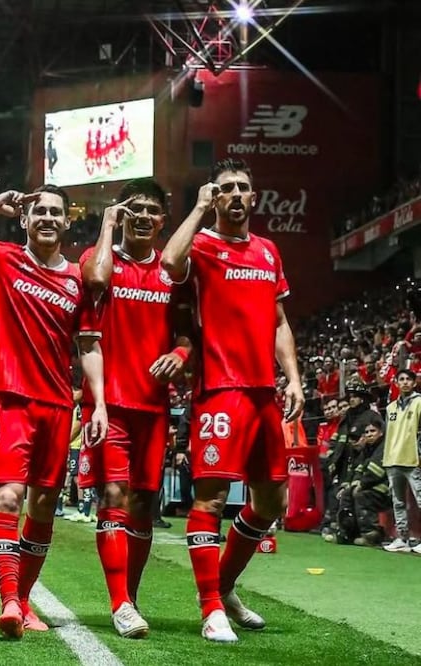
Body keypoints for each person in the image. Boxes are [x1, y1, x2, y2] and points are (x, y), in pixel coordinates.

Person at [161, 157, 304, 643]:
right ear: (216, 196)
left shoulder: (268, 251)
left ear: (254, 196)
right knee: (212, 497)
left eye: (244, 188)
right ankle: (210, 610)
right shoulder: (201, 246)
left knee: (271, 500)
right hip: (221, 389)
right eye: (228, 189)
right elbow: (167, 262)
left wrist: (295, 380)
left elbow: (279, 322)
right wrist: (199, 208)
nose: (238, 195)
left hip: (265, 392)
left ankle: (222, 586)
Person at [0, 186, 108, 638]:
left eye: (54, 212)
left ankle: (23, 602)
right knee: (7, 498)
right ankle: (8, 601)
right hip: (9, 398)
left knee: (43, 507)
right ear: (25, 220)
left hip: (59, 404)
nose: (46, 217)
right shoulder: (1, 257)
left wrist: (97, 401)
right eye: (38, 211)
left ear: (66, 222)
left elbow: (89, 346)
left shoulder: (78, 281)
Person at [78, 177, 192, 638]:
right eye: (134, 209)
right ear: (123, 214)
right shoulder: (99, 257)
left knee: (144, 504)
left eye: (151, 210)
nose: (143, 216)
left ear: (163, 219)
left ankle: (132, 595)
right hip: (109, 406)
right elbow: (96, 279)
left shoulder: (173, 273)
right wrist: (107, 223)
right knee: (113, 498)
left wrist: (181, 356)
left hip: (154, 407)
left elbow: (187, 335)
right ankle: (119, 602)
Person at [381, 369, 421, 553]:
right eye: (401, 379)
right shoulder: (390, 408)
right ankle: (402, 539)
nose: (404, 382)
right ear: (396, 383)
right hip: (392, 458)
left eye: (408, 380)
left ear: (414, 383)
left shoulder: (419, 402)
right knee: (397, 502)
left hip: (413, 458)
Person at [333, 419, 390, 546]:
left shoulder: (384, 447)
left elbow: (376, 472)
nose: (369, 434)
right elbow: (357, 469)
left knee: (362, 496)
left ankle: (370, 535)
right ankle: (346, 532)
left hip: (384, 489)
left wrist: (361, 484)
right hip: (367, 485)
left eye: (373, 431)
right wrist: (353, 483)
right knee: (347, 494)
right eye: (367, 432)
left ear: (381, 433)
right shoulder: (367, 449)